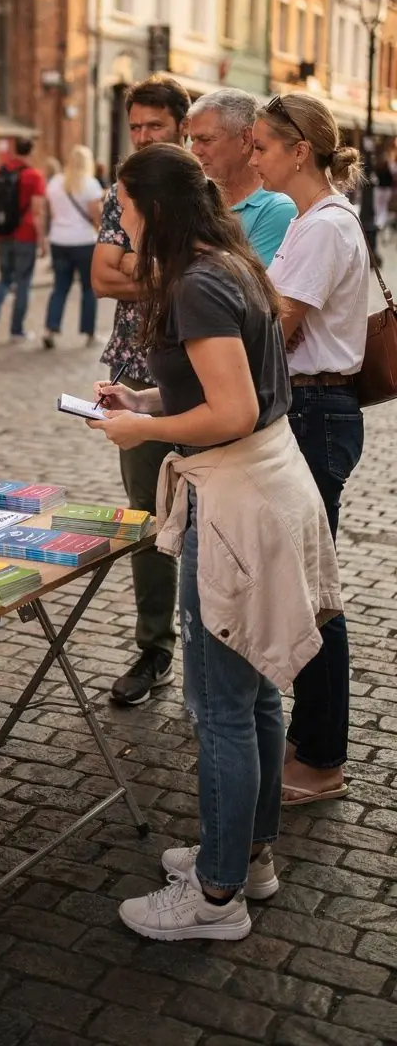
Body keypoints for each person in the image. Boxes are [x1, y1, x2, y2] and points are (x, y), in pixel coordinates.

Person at [89, 145, 340, 942]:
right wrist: (146, 395)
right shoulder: (227, 264)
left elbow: (229, 411)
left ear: (153, 210)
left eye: (124, 209)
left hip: (236, 502)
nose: (119, 225)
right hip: (264, 486)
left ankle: (215, 896)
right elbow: (229, 389)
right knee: (257, 690)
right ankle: (249, 855)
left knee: (222, 708)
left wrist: (145, 426)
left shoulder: (196, 283)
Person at [253, 94, 368, 807]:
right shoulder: (308, 221)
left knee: (311, 593)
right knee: (304, 583)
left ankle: (323, 756)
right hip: (310, 409)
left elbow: (280, 326)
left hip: (316, 412)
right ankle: (310, 737)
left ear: (300, 150)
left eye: (263, 144)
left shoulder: (323, 226)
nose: (255, 155)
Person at [91, 75, 190, 705]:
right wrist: (172, 272)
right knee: (149, 519)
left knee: (215, 518)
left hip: (203, 374)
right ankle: (154, 650)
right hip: (136, 370)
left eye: (155, 127)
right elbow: (102, 275)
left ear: (181, 126)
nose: (144, 138)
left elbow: (216, 275)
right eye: (136, 128)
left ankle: (217, 649)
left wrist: (144, 267)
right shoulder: (117, 193)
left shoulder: (199, 195)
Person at [188, 90, 296, 265]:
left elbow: (244, 287)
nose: (195, 150)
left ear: (246, 140)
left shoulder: (277, 209)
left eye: (205, 140)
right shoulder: (194, 198)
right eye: (193, 140)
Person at [0, 138, 46, 343]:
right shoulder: (34, 176)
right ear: (31, 151)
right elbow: (37, 210)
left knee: (4, 278)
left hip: (2, 234)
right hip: (25, 235)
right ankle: (17, 331)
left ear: (14, 150)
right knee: (23, 282)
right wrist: (42, 240)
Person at [43, 145, 104, 349]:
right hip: (84, 241)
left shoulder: (55, 183)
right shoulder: (90, 184)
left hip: (59, 240)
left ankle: (50, 329)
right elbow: (96, 215)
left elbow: (51, 212)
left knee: (60, 287)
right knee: (88, 287)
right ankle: (88, 332)